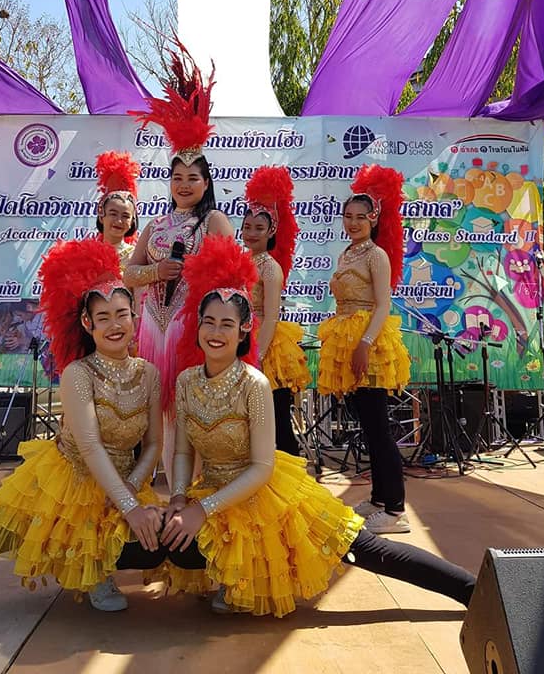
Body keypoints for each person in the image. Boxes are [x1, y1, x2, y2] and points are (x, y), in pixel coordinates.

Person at [157, 234, 475, 617]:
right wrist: (179, 498)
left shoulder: (254, 382)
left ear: (244, 331)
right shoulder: (187, 380)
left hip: (267, 496)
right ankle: (236, 576)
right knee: (173, 543)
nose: (215, 332)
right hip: (215, 495)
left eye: (227, 324)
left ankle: (472, 588)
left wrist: (201, 510)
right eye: (208, 322)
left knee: (366, 550)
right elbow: (182, 451)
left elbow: (261, 469)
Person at [0, 237, 166, 611]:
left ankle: (99, 558)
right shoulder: (78, 373)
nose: (114, 325)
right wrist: (128, 505)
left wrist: (131, 487)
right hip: (68, 480)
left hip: (123, 480)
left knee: (154, 544)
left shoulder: (149, 374)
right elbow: (89, 446)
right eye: (103, 317)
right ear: (87, 324)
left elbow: (154, 443)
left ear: (134, 317)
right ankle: (90, 569)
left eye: (121, 314)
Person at [125, 42, 233, 475]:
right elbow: (128, 274)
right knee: (161, 414)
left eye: (193, 178)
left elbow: (232, 283)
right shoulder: (154, 225)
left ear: (207, 184)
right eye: (177, 178)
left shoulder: (215, 222)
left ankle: (195, 489)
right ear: (169, 182)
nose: (184, 184)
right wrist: (157, 270)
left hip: (192, 326)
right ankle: (171, 487)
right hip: (153, 326)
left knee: (194, 411)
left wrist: (195, 276)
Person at [317, 165, 412, 534]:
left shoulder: (376, 255)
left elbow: (383, 305)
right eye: (348, 216)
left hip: (369, 343)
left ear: (374, 219)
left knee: (378, 427)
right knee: (368, 426)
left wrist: (364, 344)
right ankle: (378, 498)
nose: (353, 223)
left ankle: (396, 510)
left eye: (361, 217)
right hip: (347, 338)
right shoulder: (348, 253)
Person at [240, 166, 310, 455]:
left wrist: (257, 355)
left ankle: (291, 475)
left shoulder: (270, 267)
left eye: (259, 228)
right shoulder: (241, 261)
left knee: (278, 420)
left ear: (271, 232)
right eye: (247, 227)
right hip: (242, 340)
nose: (251, 233)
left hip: (267, 349)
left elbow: (271, 316)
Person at [95, 150, 141, 271]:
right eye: (113, 214)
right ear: (101, 216)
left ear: (132, 221)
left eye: (125, 216)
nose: (119, 221)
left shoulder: (137, 258)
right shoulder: (85, 255)